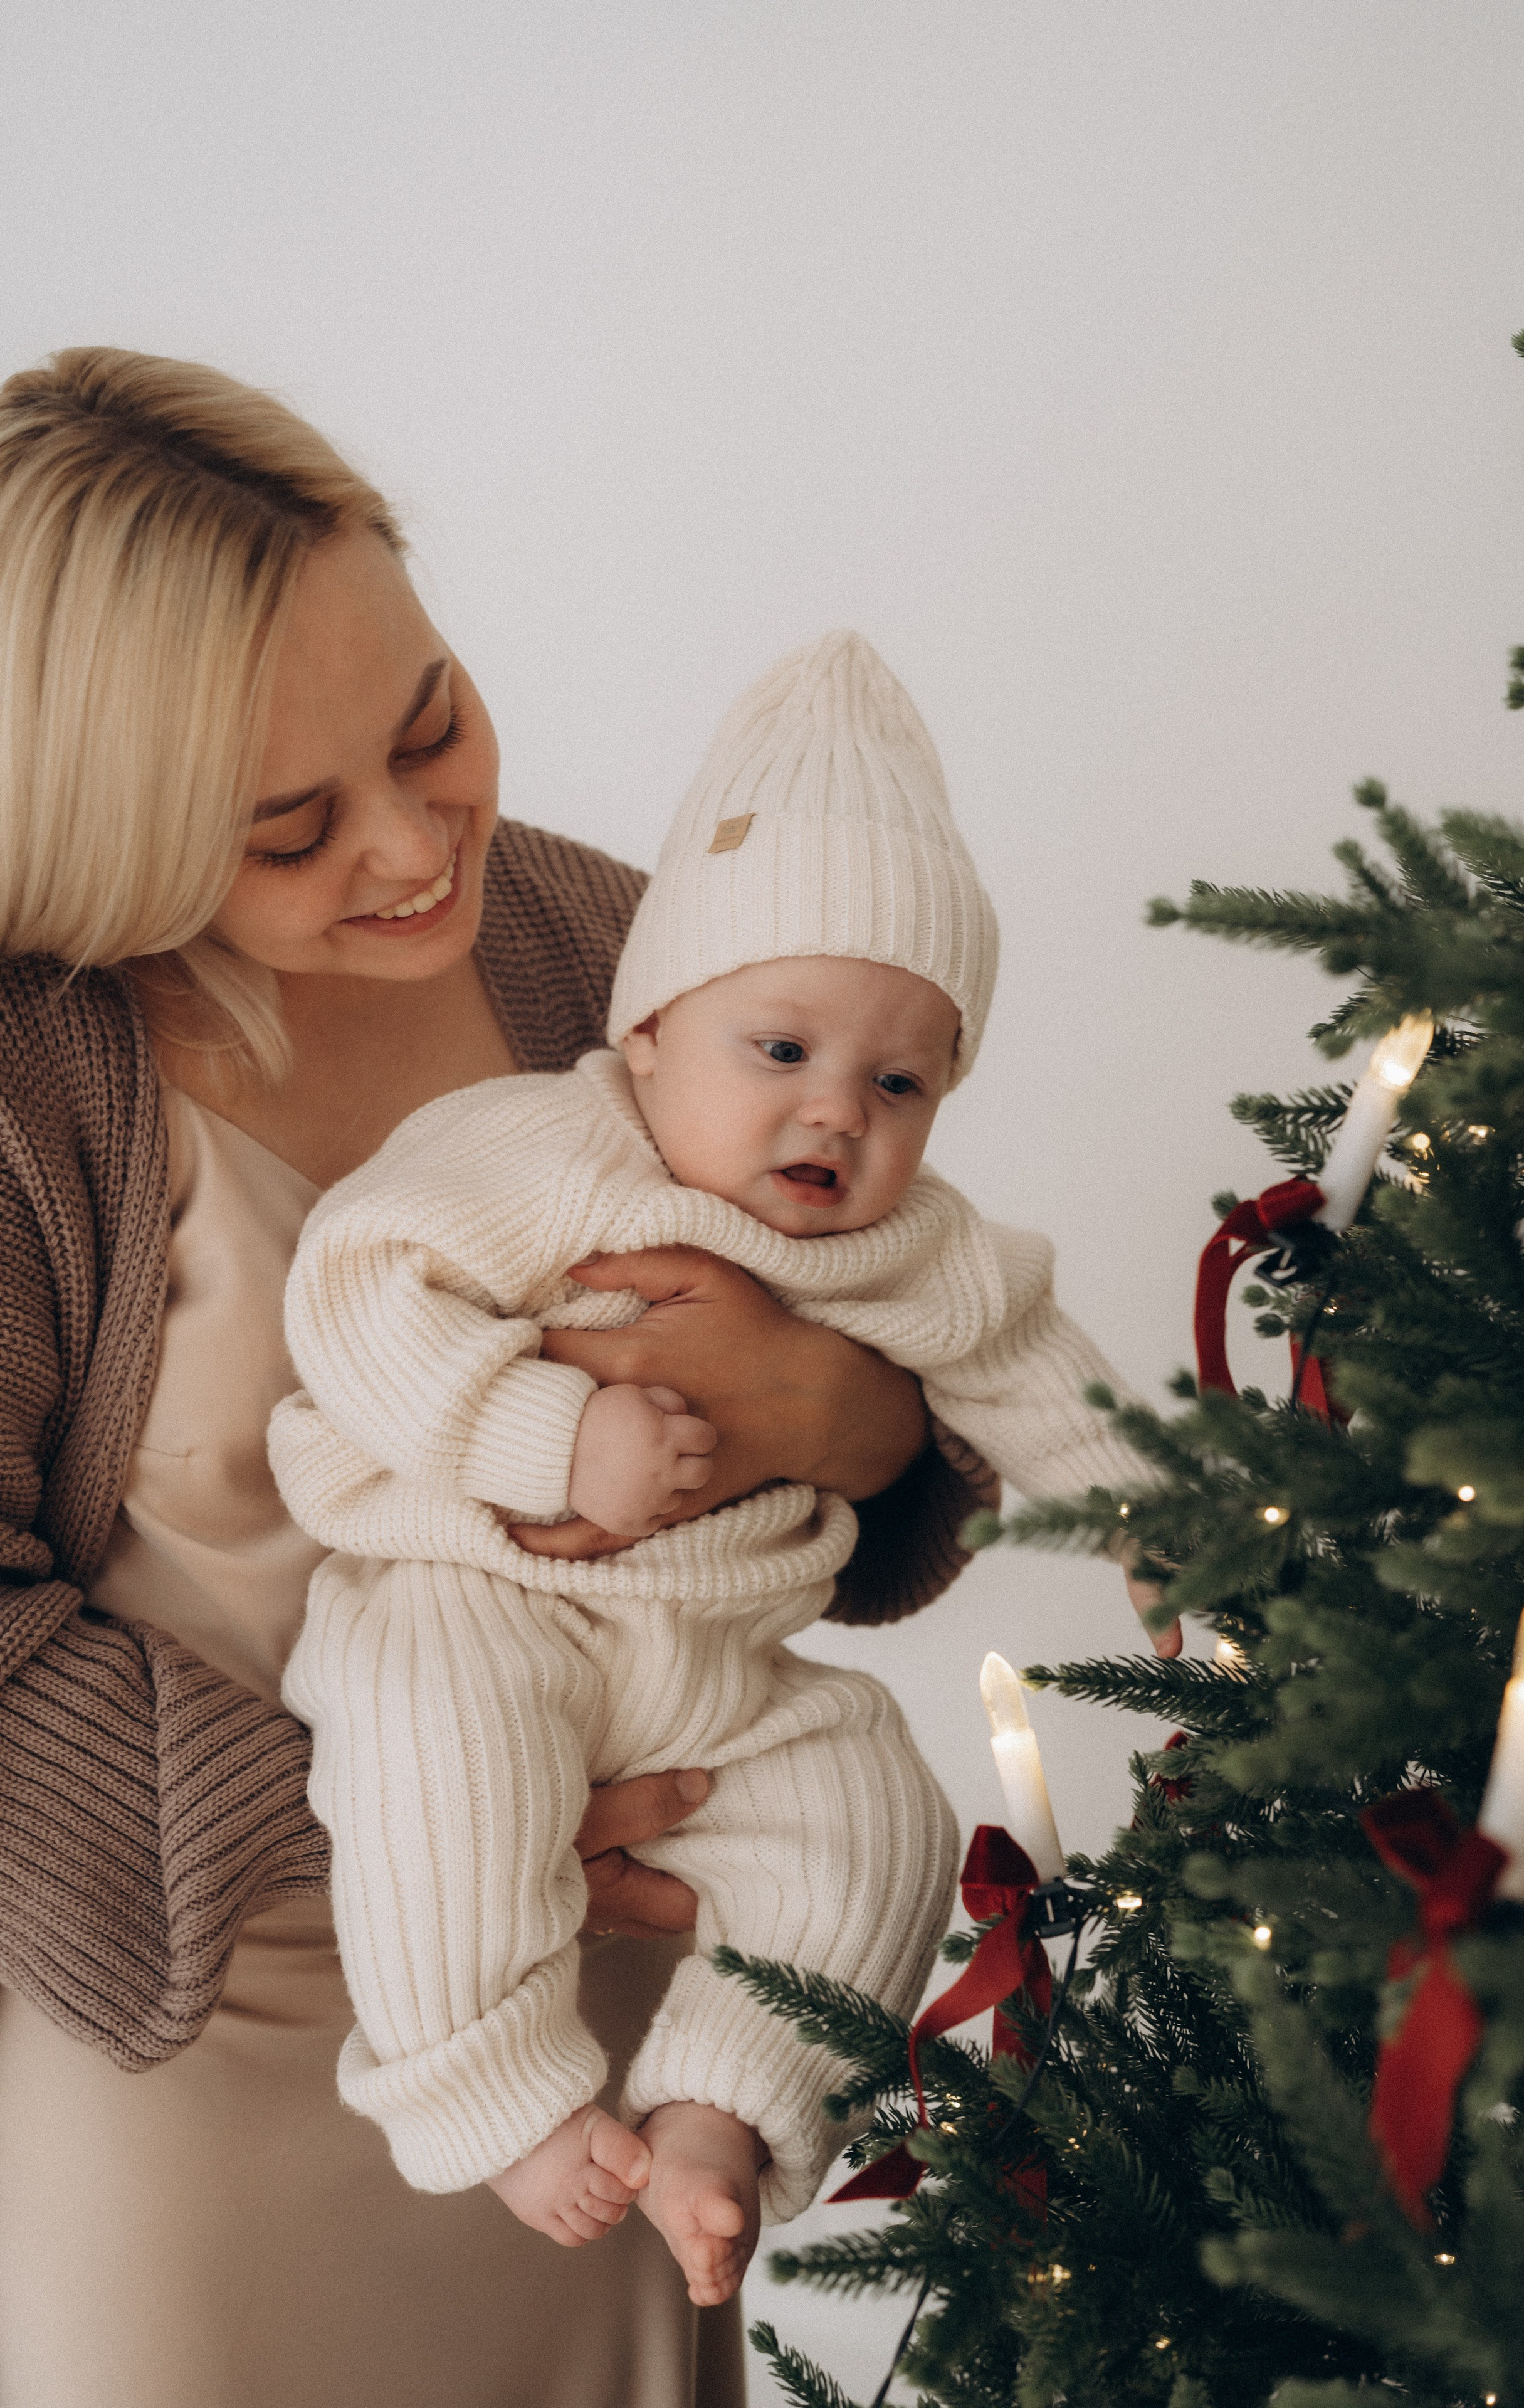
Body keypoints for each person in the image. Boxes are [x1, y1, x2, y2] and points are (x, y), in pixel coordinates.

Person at [0, 349, 1027, 2408]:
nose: (410, 845)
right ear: (106, 836)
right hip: (204, 2042)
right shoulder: (36, 1086)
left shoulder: (618, 954)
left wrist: (862, 1429)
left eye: (430, 718)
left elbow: (924, 1329)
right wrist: (401, 1826)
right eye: (290, 824)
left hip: (623, 2056)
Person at [267, 630, 1161, 2310]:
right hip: (486, 1600)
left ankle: (723, 2111)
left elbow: (1036, 1372)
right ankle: (493, 2094)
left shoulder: (916, 1243)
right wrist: (548, 1432)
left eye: (898, 1082)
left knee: (873, 1799)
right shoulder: (549, 1152)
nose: (836, 1116)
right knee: (432, 1746)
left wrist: (1167, 1523)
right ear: (656, 1029)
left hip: (723, 1675)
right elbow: (360, 1285)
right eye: (781, 1053)